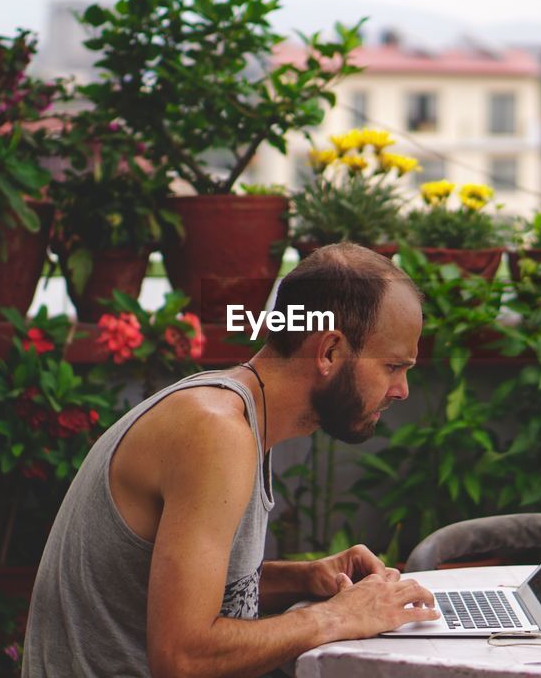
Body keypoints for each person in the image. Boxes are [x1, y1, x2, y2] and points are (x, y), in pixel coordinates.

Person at [22, 243, 439, 677]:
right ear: (330, 351)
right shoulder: (215, 432)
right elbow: (182, 658)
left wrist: (305, 578)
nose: (402, 389)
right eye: (393, 366)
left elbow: (172, 589)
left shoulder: (237, 413)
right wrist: (340, 616)